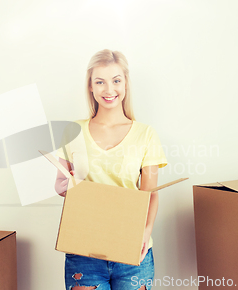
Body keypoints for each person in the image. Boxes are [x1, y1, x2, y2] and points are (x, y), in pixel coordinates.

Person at [55, 49, 168, 290]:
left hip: (132, 250)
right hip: (84, 251)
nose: (109, 90)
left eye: (116, 80)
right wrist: (63, 187)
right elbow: (62, 185)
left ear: (125, 83)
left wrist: (145, 234)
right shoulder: (72, 131)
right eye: (100, 82)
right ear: (91, 87)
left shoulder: (145, 134)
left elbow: (150, 194)